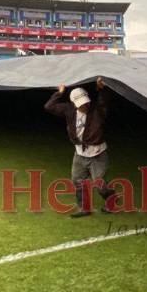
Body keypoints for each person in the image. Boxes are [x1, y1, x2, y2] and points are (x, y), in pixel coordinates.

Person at [44, 77, 116, 218]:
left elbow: (104, 100)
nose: (84, 106)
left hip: (98, 154)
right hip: (79, 154)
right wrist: (59, 93)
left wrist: (102, 88)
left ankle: (111, 199)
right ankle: (84, 208)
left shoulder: (98, 110)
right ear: (74, 103)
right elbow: (49, 106)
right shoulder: (69, 110)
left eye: (85, 103)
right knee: (77, 181)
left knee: (99, 184)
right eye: (80, 104)